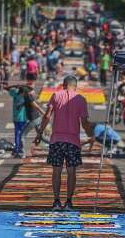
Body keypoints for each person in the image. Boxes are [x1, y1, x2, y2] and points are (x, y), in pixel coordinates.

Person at [34, 75, 92, 211]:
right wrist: (91, 134)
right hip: (73, 141)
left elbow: (47, 116)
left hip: (57, 140)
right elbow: (84, 122)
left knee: (56, 171)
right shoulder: (81, 99)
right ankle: (69, 202)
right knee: (71, 172)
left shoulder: (55, 95)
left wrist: (39, 133)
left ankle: (56, 201)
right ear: (75, 86)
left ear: (63, 84)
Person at [20, 81, 46, 151]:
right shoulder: (26, 97)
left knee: (22, 135)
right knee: (42, 137)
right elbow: (26, 103)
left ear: (23, 92)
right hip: (36, 119)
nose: (20, 95)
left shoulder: (28, 97)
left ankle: (22, 152)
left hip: (34, 119)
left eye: (20, 93)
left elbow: (37, 107)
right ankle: (54, 146)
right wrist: (20, 105)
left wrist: (45, 114)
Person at [5, 83, 29, 158]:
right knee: (22, 135)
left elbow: (6, 88)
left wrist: (15, 85)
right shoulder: (26, 95)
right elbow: (31, 88)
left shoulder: (15, 92)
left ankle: (17, 149)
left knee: (17, 134)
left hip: (16, 117)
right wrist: (23, 85)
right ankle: (20, 150)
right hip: (24, 117)